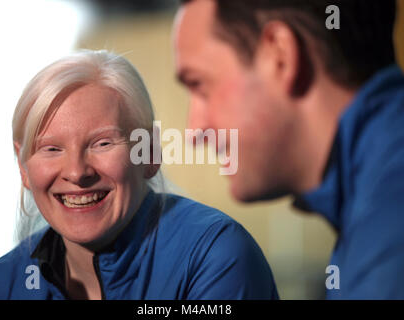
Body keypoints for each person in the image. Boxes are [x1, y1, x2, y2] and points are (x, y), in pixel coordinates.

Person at [0, 50, 278, 300]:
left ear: (150, 153)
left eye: (103, 143)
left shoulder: (215, 257)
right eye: (52, 149)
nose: (77, 172)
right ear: (22, 166)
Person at [173, 0, 404, 299]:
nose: (194, 130)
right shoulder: (371, 197)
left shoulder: (388, 233)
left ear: (280, 56)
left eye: (199, 85)